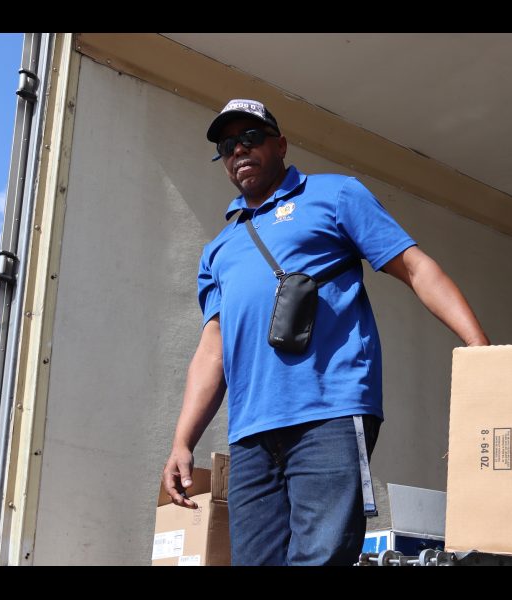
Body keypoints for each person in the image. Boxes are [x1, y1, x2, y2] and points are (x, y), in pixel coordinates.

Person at [161, 99, 489, 566]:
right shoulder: (218, 250)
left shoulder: (334, 196)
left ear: (280, 144)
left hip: (329, 413)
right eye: (228, 145)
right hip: (251, 433)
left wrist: (478, 347)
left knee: (320, 557)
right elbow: (212, 349)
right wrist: (182, 441)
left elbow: (415, 269)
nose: (239, 150)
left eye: (251, 137)